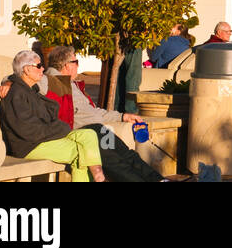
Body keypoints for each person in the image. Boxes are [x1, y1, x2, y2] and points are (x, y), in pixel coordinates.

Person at [42, 46, 171, 182]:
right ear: (66, 66)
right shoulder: (50, 81)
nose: (78, 66)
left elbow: (94, 112)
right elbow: (31, 84)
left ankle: (159, 180)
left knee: (128, 155)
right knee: (116, 163)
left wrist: (122, 116)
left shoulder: (71, 83)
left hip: (97, 128)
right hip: (85, 133)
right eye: (76, 62)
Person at [0, 49, 105, 183]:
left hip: (43, 138)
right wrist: (60, 129)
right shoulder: (16, 94)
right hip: (28, 146)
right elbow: (27, 130)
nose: (42, 68)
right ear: (26, 70)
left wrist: (59, 127)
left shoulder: (31, 90)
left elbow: (49, 115)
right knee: (79, 153)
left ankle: (98, 173)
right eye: (38, 66)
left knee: (88, 134)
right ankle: (98, 176)